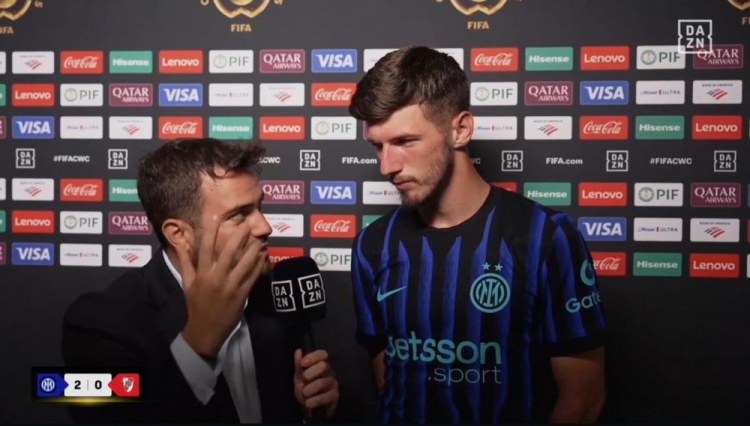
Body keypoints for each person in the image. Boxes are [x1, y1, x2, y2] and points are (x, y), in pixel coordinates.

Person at [347, 46, 607, 424]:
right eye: (377, 146)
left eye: (405, 141)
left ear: (461, 129)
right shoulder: (372, 245)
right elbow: (388, 380)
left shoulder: (546, 237)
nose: (387, 165)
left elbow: (583, 398)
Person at [61, 138, 339, 423]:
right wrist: (197, 347)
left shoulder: (273, 299)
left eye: (259, 207)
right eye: (239, 215)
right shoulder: (101, 325)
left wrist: (304, 413)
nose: (265, 226)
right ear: (179, 235)